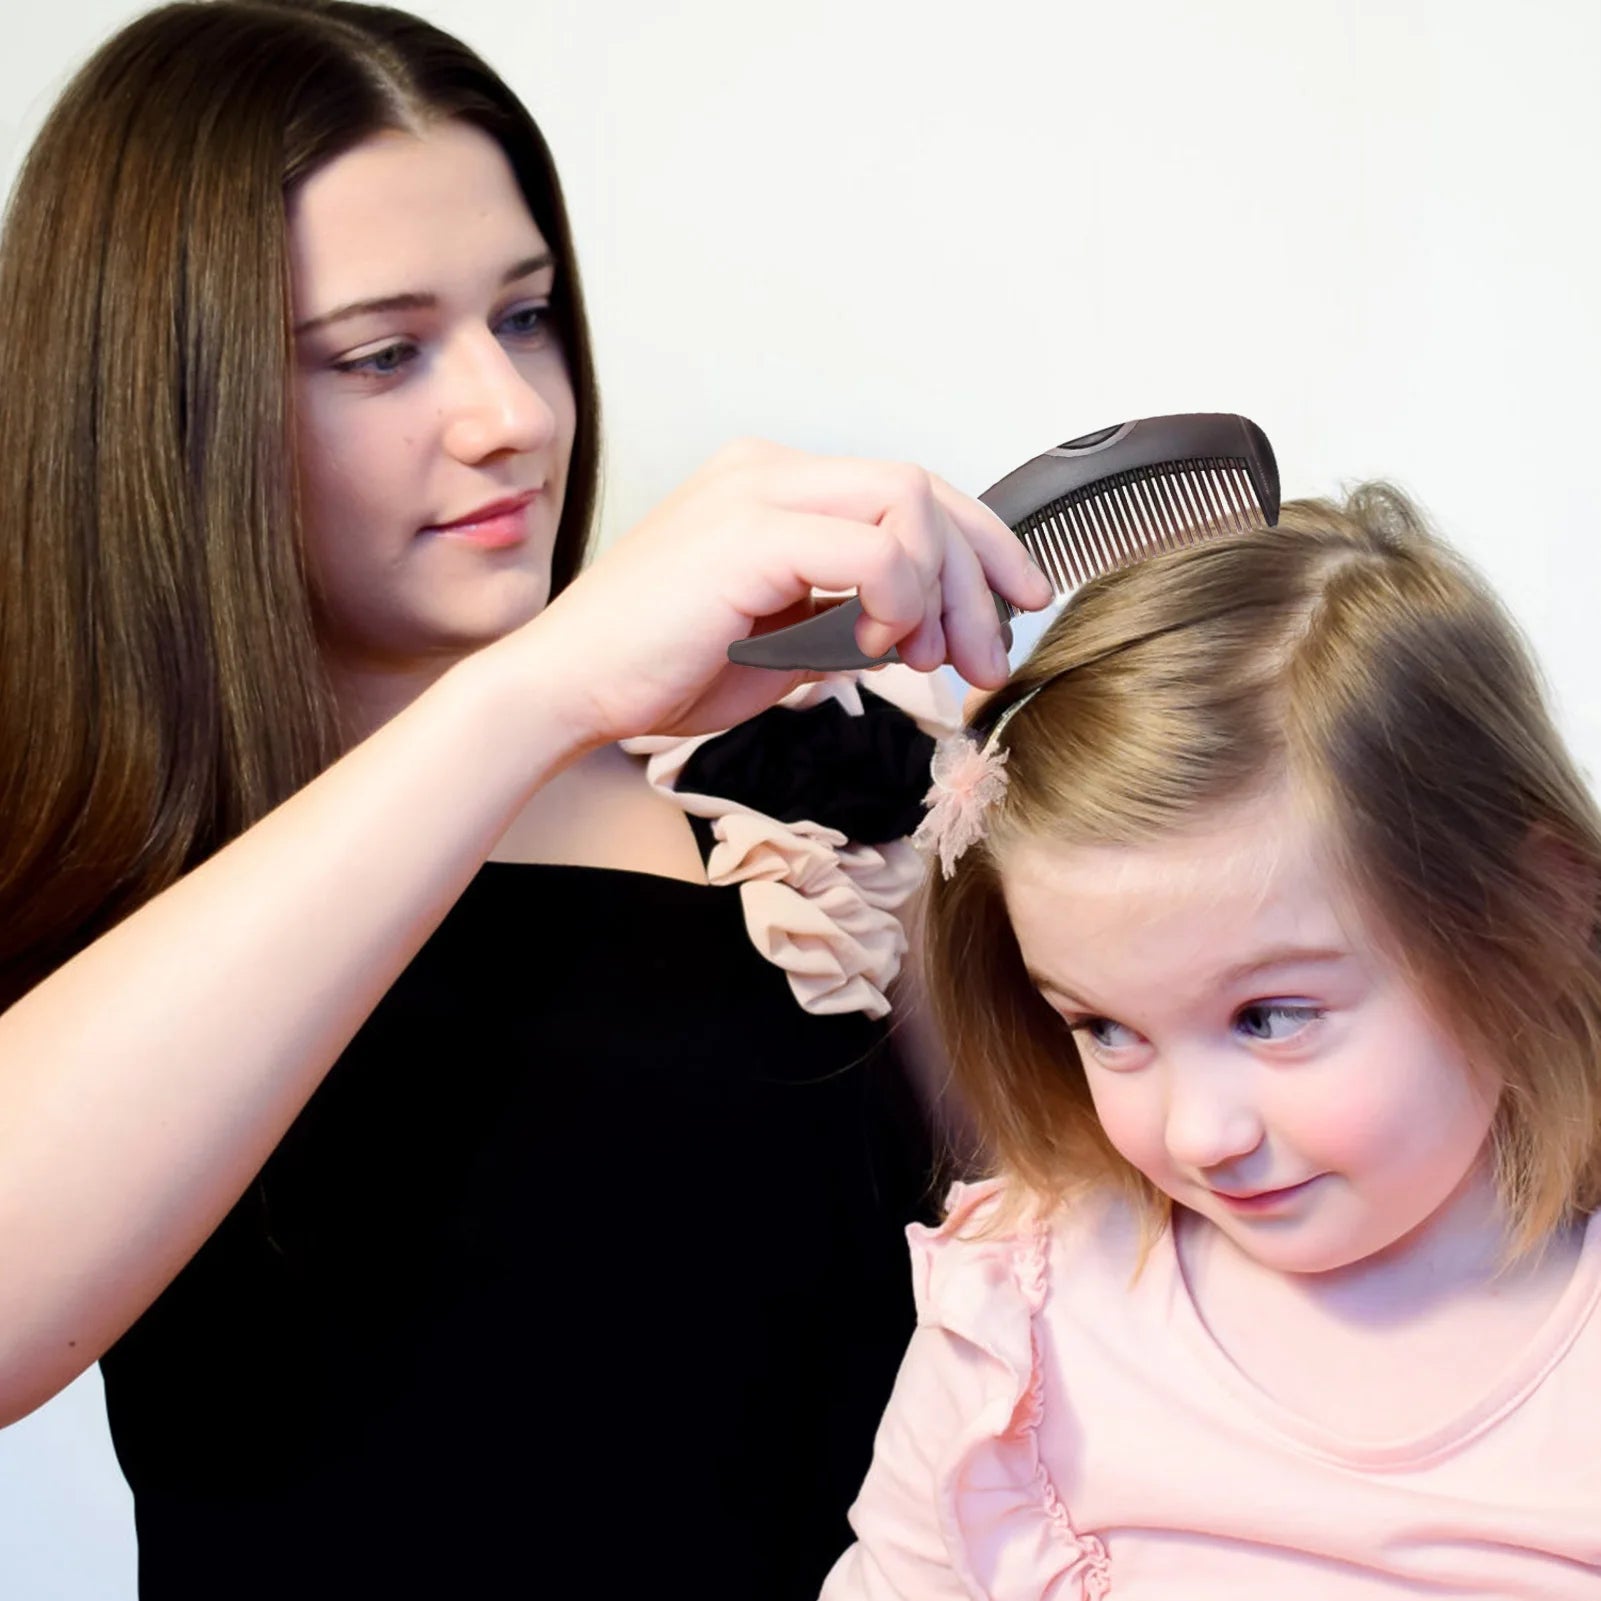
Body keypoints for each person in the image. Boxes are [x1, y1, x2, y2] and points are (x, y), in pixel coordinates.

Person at [0, 3, 1052, 1596]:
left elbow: (1069, 1257)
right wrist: (542, 687)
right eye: (383, 353)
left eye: (531, 315)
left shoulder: (797, 786)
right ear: (170, 405)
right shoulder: (110, 877)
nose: (513, 414)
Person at [823, 484, 1601, 1598]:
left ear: (1529, 908)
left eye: (1270, 1017)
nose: (1195, 1133)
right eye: (1102, 1026)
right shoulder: (1023, 1321)